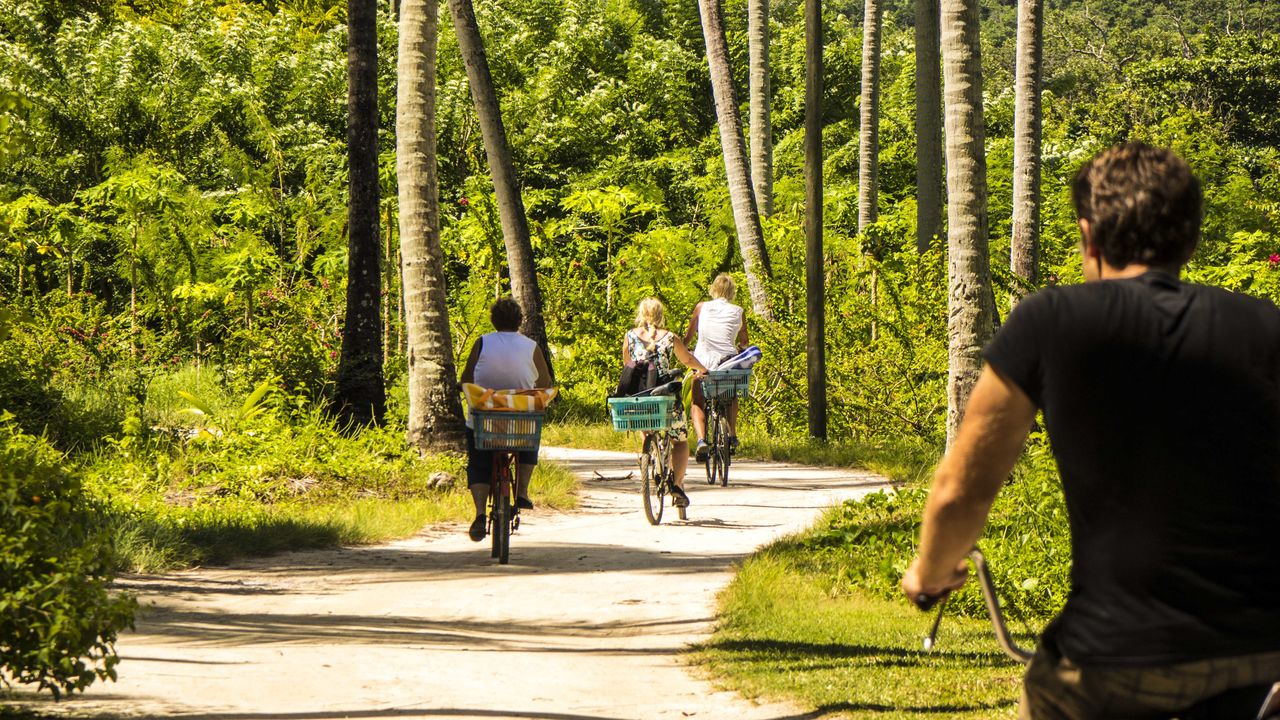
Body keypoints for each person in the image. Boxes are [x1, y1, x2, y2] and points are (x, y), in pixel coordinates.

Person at [901, 143, 1280, 719]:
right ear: (1190, 238)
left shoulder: (1052, 320)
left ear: (1089, 235)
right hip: (1259, 658)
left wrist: (929, 575)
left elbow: (961, 491)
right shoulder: (1264, 325)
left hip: (1110, 661)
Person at [459, 297, 553, 542]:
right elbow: (545, 384)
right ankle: (521, 492)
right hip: (519, 421)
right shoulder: (531, 346)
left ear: (493, 321)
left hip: (485, 420)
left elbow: (467, 378)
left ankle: (480, 513)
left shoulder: (482, 342)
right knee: (530, 439)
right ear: (520, 321)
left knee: (479, 463)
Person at [624, 297, 709, 507]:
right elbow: (687, 359)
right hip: (664, 396)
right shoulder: (670, 337)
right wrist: (703, 370)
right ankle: (677, 485)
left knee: (646, 420)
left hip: (640, 396)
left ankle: (651, 451)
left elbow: (627, 364)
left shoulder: (629, 336)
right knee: (679, 440)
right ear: (660, 315)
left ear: (640, 314)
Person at [683, 273, 749, 462]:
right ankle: (732, 434)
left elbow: (687, 338)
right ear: (731, 292)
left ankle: (702, 440)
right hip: (727, 362)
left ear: (714, 289)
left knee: (697, 401)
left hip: (703, 364)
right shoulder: (739, 311)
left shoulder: (701, 308)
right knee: (732, 393)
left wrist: (684, 350)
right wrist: (740, 348)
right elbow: (744, 341)